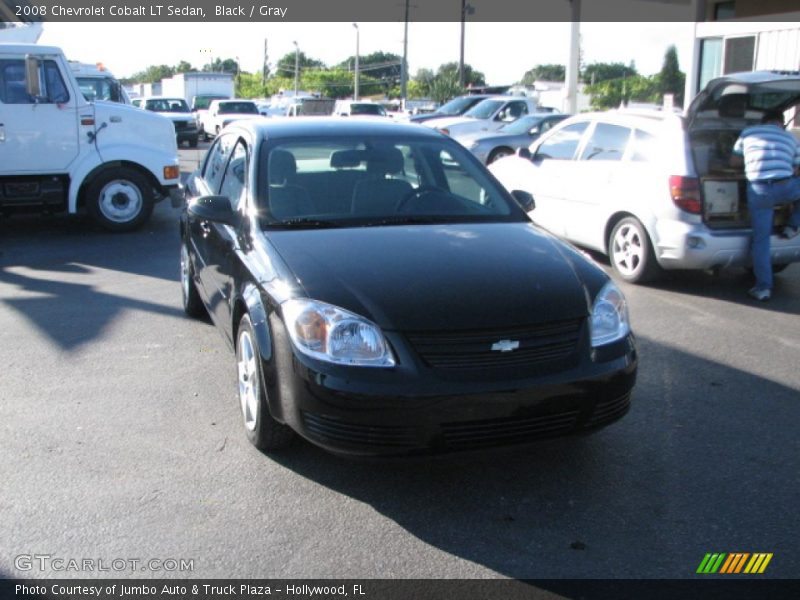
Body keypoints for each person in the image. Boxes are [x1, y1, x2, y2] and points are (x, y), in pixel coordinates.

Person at [732, 110, 800, 301]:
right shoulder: (791, 138)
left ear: (764, 121)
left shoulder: (747, 132)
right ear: (781, 122)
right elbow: (796, 168)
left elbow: (734, 160)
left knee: (761, 241)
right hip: (785, 187)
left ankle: (763, 288)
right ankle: (792, 226)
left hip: (759, 190)